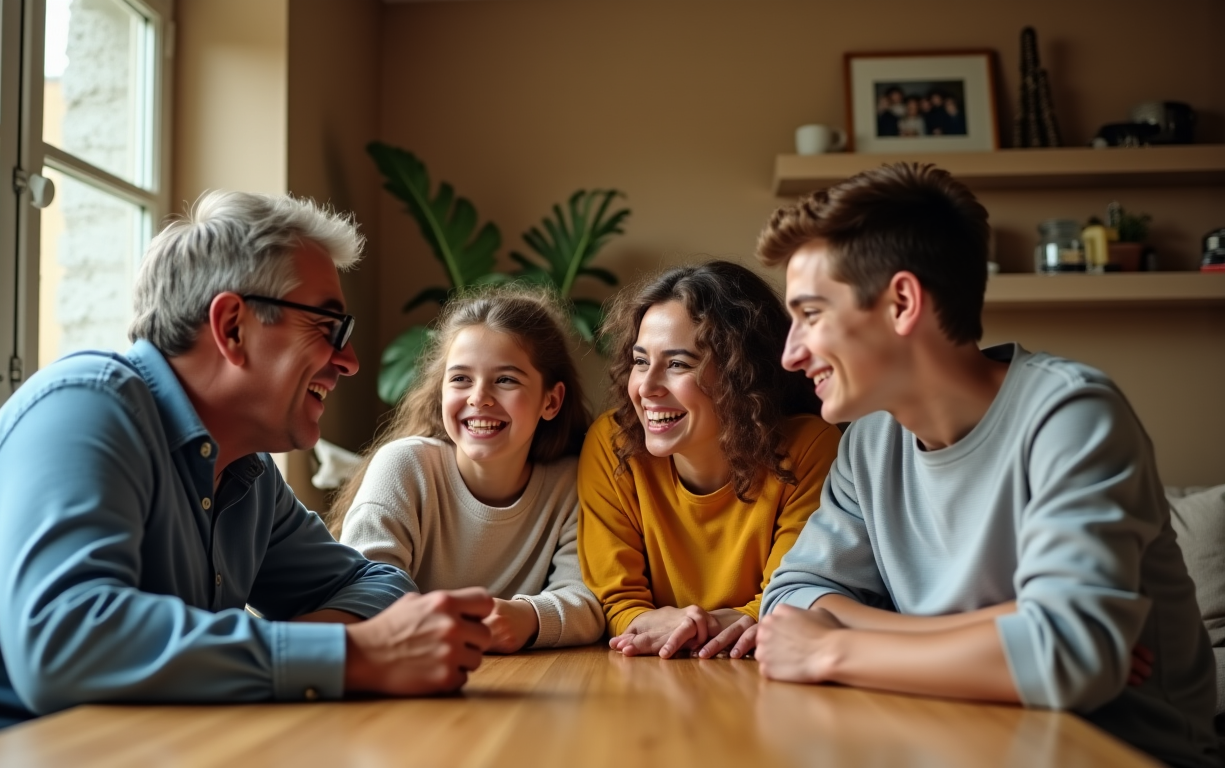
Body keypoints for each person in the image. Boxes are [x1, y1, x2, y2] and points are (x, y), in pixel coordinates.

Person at [0, 191, 494, 759]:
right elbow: (63, 645)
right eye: (328, 327)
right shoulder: (85, 406)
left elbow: (379, 584)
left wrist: (336, 644)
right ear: (232, 327)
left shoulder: (245, 474)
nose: (351, 361)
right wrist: (348, 653)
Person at [753, 163, 1218, 768]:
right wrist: (1009, 627)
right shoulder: (867, 445)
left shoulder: (1070, 414)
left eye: (810, 314)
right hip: (950, 736)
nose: (790, 354)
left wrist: (828, 653)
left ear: (901, 303)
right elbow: (789, 601)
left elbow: (1069, 660)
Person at [577, 261, 840, 661]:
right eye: (640, 360)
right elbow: (617, 601)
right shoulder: (612, 445)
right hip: (645, 669)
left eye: (678, 364)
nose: (646, 387)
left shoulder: (808, 447)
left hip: (765, 672)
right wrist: (674, 627)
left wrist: (698, 625)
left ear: (741, 374)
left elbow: (793, 594)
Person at [336, 288, 604, 652]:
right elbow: (363, 592)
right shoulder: (404, 467)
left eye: (506, 380)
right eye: (461, 379)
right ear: (441, 390)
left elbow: (588, 601)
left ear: (551, 401)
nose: (479, 397)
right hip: (407, 673)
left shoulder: (572, 483)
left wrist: (528, 617)